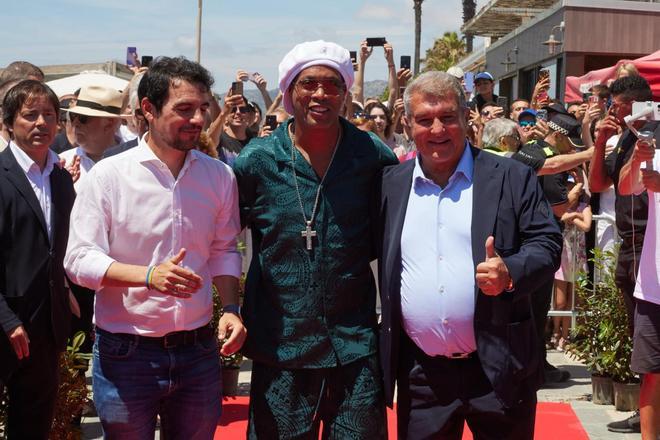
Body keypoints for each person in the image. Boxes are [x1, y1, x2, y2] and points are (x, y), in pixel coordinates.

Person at [64, 56, 246, 439]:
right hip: (125, 354)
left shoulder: (219, 176)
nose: (197, 119)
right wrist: (148, 277)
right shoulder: (110, 176)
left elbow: (224, 248)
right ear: (148, 109)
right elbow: (79, 259)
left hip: (198, 350)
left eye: (202, 108)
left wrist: (230, 308)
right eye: (184, 109)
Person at [378, 71, 561, 439]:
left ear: (466, 118)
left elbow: (547, 243)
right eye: (424, 120)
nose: (437, 129)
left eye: (447, 117)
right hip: (422, 378)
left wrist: (510, 271)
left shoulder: (511, 176)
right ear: (407, 124)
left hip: (499, 369)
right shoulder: (390, 185)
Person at [233, 40, 398, 439]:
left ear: (345, 92)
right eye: (309, 84)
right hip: (280, 342)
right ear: (289, 91)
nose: (320, 94)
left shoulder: (372, 156)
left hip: (354, 341)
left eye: (332, 84)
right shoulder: (256, 160)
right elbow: (224, 237)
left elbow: (391, 235)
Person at [0, 80, 76, 438]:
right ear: (9, 123)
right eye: (30, 115)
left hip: (45, 325)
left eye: (49, 115)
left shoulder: (61, 180)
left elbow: (60, 249)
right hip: (5, 322)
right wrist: (6, 319)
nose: (41, 123)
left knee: (33, 423)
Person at [589, 74, 660, 434]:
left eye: (615, 106)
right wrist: (601, 140)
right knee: (644, 343)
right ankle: (644, 411)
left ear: (633, 104)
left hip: (651, 243)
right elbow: (600, 184)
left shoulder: (655, 135)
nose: (610, 111)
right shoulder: (624, 140)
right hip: (632, 250)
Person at [618, 132, 660, 440]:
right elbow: (625, 186)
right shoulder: (654, 150)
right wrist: (636, 158)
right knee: (652, 375)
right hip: (654, 285)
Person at [59, 85, 123, 190]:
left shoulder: (135, 161)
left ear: (109, 123)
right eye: (73, 116)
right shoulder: (62, 163)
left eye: (83, 118)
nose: (75, 123)